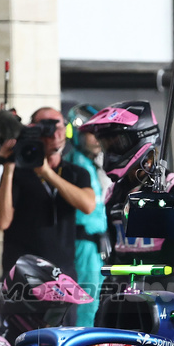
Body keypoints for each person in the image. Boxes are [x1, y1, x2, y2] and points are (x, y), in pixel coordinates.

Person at [81, 100, 174, 297]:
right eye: (106, 145)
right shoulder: (112, 193)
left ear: (140, 139)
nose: (109, 152)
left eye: (116, 143)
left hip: (167, 297)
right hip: (124, 297)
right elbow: (115, 255)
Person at [0, 106, 96, 279]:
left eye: (59, 127)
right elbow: (1, 222)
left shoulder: (76, 172)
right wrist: (8, 169)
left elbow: (88, 206)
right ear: (34, 131)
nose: (55, 134)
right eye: (46, 129)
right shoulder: (17, 173)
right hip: (22, 274)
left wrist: (46, 173)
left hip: (62, 273)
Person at [64, 104, 109, 327]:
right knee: (86, 303)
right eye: (91, 133)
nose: (96, 138)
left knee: (96, 302)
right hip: (83, 246)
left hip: (96, 246)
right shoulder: (75, 163)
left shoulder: (90, 165)